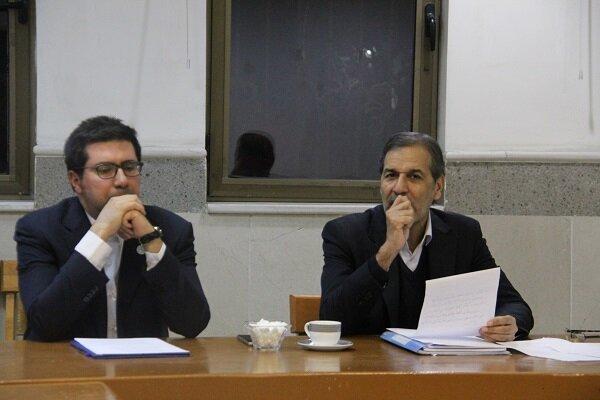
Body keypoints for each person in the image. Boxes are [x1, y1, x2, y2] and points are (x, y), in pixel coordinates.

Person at [319, 132, 533, 341]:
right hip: (371, 363)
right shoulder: (345, 233)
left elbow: (514, 305)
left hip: (440, 362)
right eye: (391, 175)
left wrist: (509, 325)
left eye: (414, 176)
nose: (399, 188)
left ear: (437, 187)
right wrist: (388, 251)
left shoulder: (463, 234)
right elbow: (332, 318)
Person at [14, 116, 210, 341]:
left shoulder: (172, 229)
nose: (122, 180)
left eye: (130, 167)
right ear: (76, 181)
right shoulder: (40, 230)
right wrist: (100, 231)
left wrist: (150, 239)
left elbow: (193, 323)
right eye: (105, 170)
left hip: (141, 363)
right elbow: (44, 324)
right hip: (69, 362)